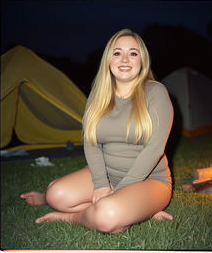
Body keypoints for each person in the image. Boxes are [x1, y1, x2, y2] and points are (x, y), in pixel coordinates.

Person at [20, 28, 174, 234]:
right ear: (108, 60)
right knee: (56, 195)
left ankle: (75, 216)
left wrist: (119, 192)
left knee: (107, 216)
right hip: (108, 174)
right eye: (117, 53)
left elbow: (154, 149)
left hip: (149, 180)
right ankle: (134, 210)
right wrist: (101, 184)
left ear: (142, 60)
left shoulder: (156, 92)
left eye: (133, 53)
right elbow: (91, 141)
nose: (125, 59)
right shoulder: (99, 93)